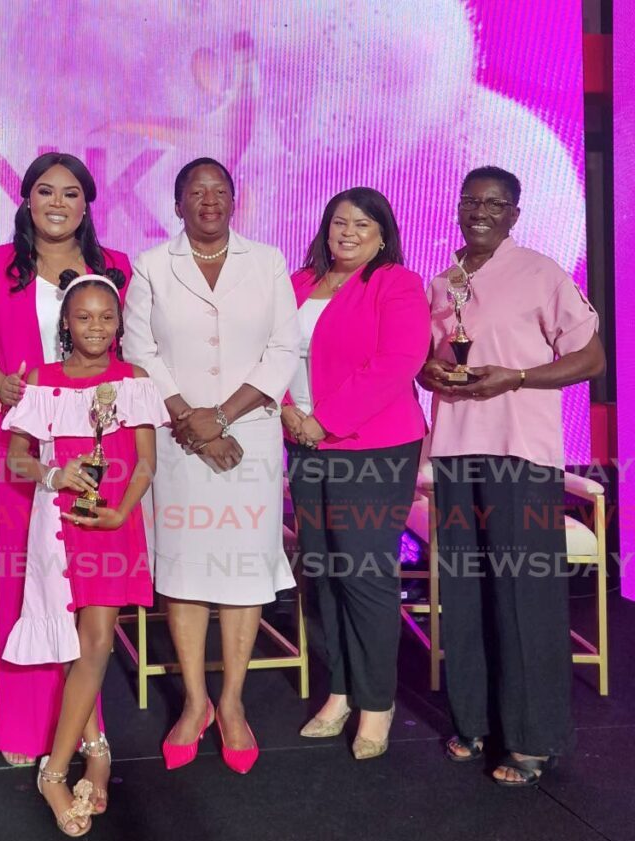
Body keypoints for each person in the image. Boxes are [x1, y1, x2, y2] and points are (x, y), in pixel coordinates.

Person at [419, 166, 605, 786]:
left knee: (525, 596)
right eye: (471, 200)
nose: (481, 212)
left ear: (514, 215)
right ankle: (474, 723)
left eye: (495, 204)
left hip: (519, 451)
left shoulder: (542, 272)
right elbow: (429, 360)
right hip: (452, 450)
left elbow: (591, 357)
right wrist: (433, 374)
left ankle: (531, 739)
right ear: (458, 208)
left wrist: (518, 377)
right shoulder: (442, 282)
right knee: (466, 595)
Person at [123, 157, 298, 774]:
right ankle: (194, 702)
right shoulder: (151, 265)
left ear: (235, 200)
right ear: (176, 205)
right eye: (195, 192)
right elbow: (138, 349)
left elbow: (284, 347)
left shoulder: (268, 261)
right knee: (186, 567)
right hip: (177, 440)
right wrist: (188, 420)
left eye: (219, 191)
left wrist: (220, 417)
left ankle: (232, 702)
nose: (209, 201)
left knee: (245, 570)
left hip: (248, 436)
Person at [0, 153, 132, 766]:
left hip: (95, 455)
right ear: (27, 201)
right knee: (23, 584)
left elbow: (124, 355)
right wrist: (0, 383)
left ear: (87, 204)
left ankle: (86, 727)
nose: (56, 203)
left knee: (86, 594)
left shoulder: (114, 268)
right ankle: (27, 726)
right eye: (44, 191)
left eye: (70, 193)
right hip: (22, 453)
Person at [1, 269, 167, 836]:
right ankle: (96, 748)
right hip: (59, 524)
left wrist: (124, 510)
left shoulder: (134, 379)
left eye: (106, 317)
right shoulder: (43, 381)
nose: (95, 327)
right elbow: (17, 459)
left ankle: (53, 771)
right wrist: (54, 472)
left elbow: (145, 460)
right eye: (83, 317)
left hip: (115, 523)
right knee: (75, 646)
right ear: (66, 324)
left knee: (96, 643)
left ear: (119, 322)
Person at [284, 187, 429, 760]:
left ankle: (377, 703)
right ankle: (341, 690)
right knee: (326, 572)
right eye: (338, 221)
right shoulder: (297, 283)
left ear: (382, 234)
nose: (347, 232)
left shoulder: (396, 283)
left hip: (373, 447)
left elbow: (397, 363)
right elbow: (272, 353)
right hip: (303, 443)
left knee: (365, 575)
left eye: (361, 224)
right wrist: (292, 416)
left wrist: (326, 420)